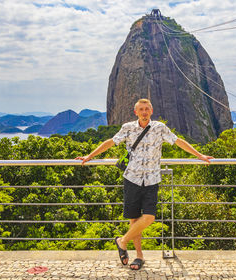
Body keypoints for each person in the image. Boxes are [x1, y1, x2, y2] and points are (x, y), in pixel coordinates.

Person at [75, 98, 213, 270]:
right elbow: (111, 142)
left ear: (151, 111)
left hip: (152, 179)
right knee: (134, 219)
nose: (144, 112)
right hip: (132, 178)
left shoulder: (159, 128)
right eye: (141, 109)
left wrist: (199, 155)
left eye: (147, 109)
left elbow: (177, 141)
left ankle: (122, 241)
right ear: (136, 112)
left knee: (149, 217)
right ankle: (139, 257)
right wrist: (89, 156)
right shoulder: (128, 128)